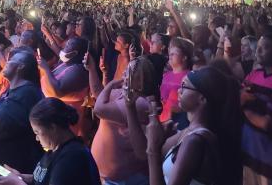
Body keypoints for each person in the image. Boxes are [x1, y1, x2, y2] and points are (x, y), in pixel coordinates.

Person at [142, 67, 242, 185]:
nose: (179, 90)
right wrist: (159, 139)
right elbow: (146, 154)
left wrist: (153, 148)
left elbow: (153, 153)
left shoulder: (195, 141)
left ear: (202, 98)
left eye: (184, 86)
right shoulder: (190, 131)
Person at [0, 98, 101, 185]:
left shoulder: (72, 157)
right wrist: (21, 177)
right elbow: (45, 178)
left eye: (37, 132)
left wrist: (18, 183)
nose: (37, 138)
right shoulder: (55, 149)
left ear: (52, 127)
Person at [91, 56, 158, 185]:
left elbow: (99, 109)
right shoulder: (123, 92)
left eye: (129, 72)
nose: (124, 74)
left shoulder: (140, 103)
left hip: (123, 179)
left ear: (141, 79)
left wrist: (111, 84)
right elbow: (98, 95)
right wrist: (92, 69)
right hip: (110, 178)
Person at [241, 33, 272, 185]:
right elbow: (237, 97)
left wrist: (244, 108)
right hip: (247, 152)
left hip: (269, 159)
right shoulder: (255, 74)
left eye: (264, 48)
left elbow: (267, 123)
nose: (258, 51)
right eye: (258, 47)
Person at [39, 37, 90, 136]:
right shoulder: (65, 63)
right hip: (53, 117)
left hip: (66, 123)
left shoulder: (78, 70)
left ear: (75, 53)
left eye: (68, 45)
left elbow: (57, 92)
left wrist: (45, 69)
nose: (64, 46)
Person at [159, 38, 194, 127]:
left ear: (184, 57)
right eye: (170, 53)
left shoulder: (189, 77)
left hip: (178, 123)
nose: (170, 56)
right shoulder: (166, 75)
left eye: (174, 54)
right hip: (162, 119)